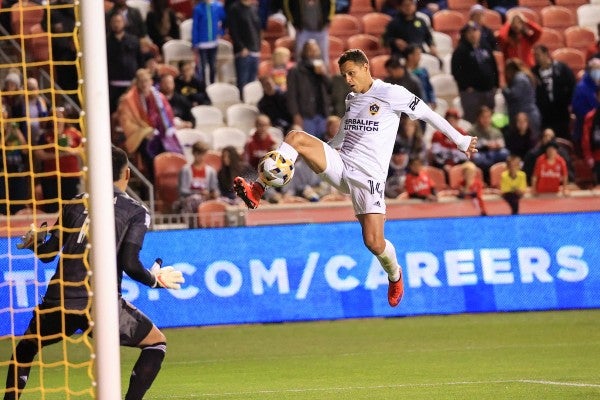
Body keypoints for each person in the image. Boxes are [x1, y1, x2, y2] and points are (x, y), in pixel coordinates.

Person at [232, 49, 478, 308]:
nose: (348, 80)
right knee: (296, 138)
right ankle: (257, 190)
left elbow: (429, 113)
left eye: (351, 73)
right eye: (343, 75)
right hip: (341, 164)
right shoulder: (352, 99)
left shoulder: (392, 93)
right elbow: (345, 132)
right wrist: (323, 149)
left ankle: (395, 275)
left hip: (368, 180)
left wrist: (460, 140)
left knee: (373, 242)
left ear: (366, 67)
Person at [3, 147, 185, 400]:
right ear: (128, 173)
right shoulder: (135, 210)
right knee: (156, 342)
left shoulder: (76, 202)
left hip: (59, 301)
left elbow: (47, 255)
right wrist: (155, 280)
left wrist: (34, 243)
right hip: (98, 304)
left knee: (25, 349)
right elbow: (130, 264)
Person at [451, 21, 498, 124]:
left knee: (489, 121)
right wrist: (466, 87)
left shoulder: (485, 47)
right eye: (470, 32)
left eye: (475, 31)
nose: (473, 34)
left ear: (479, 32)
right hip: (471, 93)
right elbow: (456, 71)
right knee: (472, 121)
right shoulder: (460, 51)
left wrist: (495, 84)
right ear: (465, 34)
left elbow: (494, 67)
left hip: (488, 91)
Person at [286, 39, 332, 140]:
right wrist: (295, 115)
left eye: (315, 50)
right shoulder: (295, 70)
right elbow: (291, 95)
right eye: (310, 50)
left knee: (324, 145)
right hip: (305, 115)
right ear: (304, 52)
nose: (313, 53)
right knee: (309, 145)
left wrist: (324, 75)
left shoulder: (323, 67)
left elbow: (331, 88)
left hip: (322, 113)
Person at [531, 44, 576, 140]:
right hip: (545, 115)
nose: (536, 58)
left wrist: (568, 102)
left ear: (546, 54)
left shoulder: (561, 68)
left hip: (561, 112)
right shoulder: (533, 73)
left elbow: (572, 85)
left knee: (563, 139)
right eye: (534, 55)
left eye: (538, 55)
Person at [107, 12, 144, 114]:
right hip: (113, 85)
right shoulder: (106, 42)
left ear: (124, 23)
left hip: (131, 83)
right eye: (114, 22)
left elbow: (140, 60)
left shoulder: (133, 40)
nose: (116, 24)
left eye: (119, 21)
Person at [282, 0, 335, 66]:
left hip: (320, 30)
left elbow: (332, 4)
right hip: (303, 30)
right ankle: (299, 74)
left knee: (324, 56)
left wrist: (328, 20)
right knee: (299, 55)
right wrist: (294, 22)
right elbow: (287, 7)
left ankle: (325, 75)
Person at [503, 58, 541, 141]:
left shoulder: (519, 78)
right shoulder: (526, 76)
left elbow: (514, 95)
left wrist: (505, 89)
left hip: (525, 116)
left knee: (528, 143)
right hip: (530, 114)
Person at [175, 140, 219, 213]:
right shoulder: (186, 170)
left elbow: (214, 189)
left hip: (206, 199)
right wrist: (199, 193)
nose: (201, 157)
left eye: (203, 154)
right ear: (194, 153)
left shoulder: (211, 171)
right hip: (189, 200)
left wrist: (213, 194)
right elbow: (183, 191)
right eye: (199, 154)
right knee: (195, 199)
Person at [228, 0, 262, 93]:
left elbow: (258, 29)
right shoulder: (234, 9)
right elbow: (233, 31)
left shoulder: (253, 8)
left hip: (255, 50)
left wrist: (259, 47)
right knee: (243, 82)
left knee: (252, 83)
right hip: (243, 52)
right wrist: (241, 47)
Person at [191, 0, 226, 84]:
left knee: (213, 66)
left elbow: (224, 20)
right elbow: (195, 26)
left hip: (214, 43)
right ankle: (203, 86)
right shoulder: (198, 9)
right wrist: (194, 42)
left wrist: (221, 32)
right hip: (202, 43)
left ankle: (212, 84)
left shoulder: (218, 6)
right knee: (202, 67)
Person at [581, 91, 600, 184]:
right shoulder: (591, 117)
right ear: (597, 97)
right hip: (597, 157)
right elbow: (586, 139)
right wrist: (588, 156)